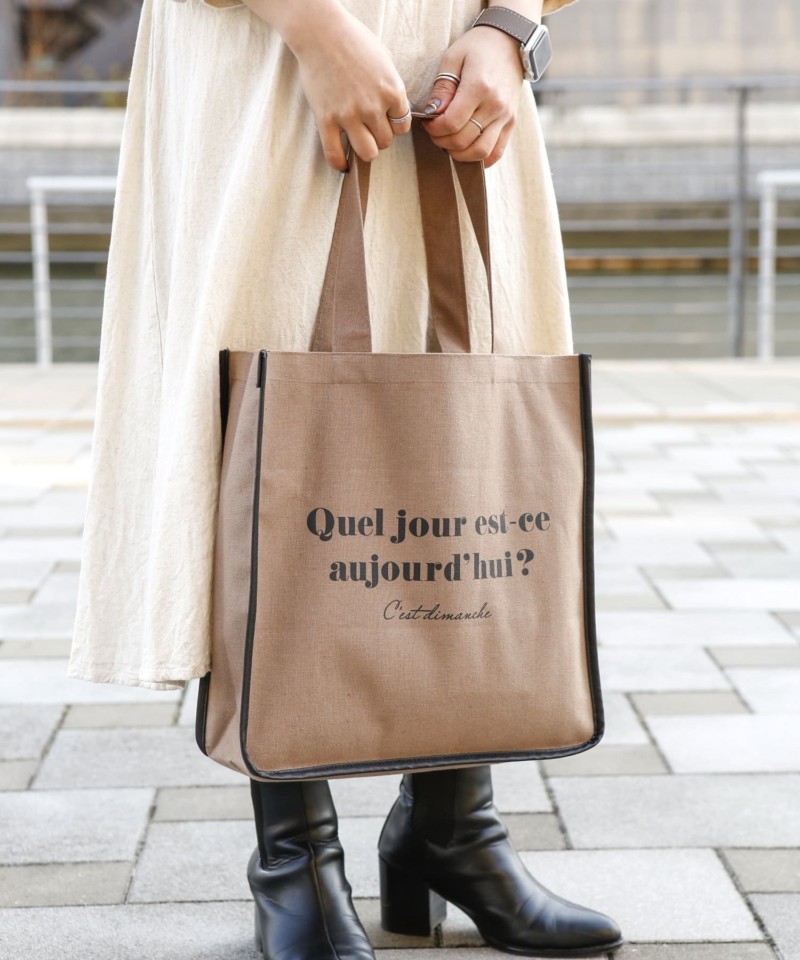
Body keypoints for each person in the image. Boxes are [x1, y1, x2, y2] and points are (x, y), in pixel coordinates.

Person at [67, 0, 624, 956]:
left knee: (461, 427)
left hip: (462, 60)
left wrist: (511, 25)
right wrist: (312, 26)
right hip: (266, 54)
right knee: (274, 409)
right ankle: (295, 857)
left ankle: (453, 829)